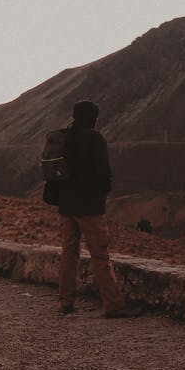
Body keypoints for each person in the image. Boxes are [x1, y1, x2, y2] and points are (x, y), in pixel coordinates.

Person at [57, 100, 137, 318]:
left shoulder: (64, 137)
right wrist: (102, 193)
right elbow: (104, 174)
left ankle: (66, 302)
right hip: (90, 206)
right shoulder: (95, 138)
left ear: (74, 116)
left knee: (69, 253)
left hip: (66, 205)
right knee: (100, 255)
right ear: (93, 118)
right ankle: (114, 304)